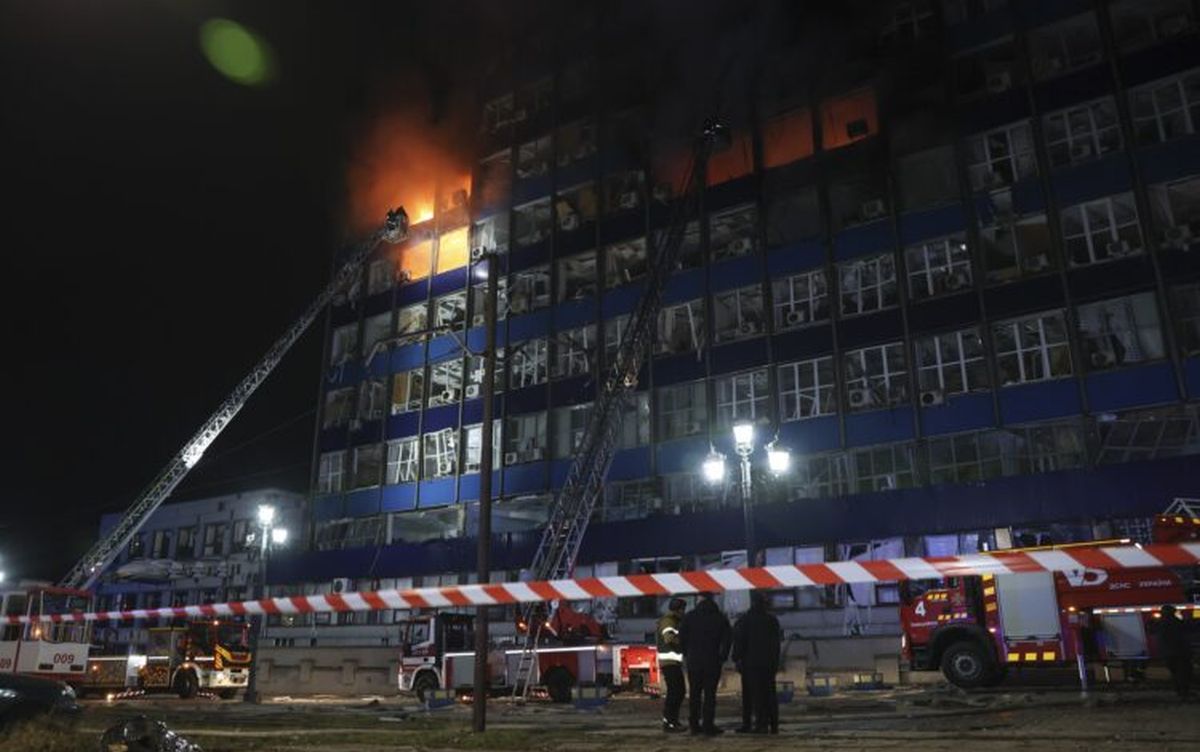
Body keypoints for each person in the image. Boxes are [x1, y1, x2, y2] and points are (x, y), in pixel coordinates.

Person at [679, 591, 732, 736]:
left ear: (699, 600)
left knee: (694, 694)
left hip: (694, 661)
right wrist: (722, 657)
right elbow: (727, 639)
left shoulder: (690, 617)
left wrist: (686, 653)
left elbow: (681, 638)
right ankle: (708, 725)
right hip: (712, 661)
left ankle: (694, 724)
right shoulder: (719, 617)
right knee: (710, 695)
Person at [732, 591, 783, 733]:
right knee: (770, 694)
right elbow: (776, 644)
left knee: (752, 695)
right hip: (769, 664)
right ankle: (773, 725)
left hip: (750, 664)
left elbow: (739, 642)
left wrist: (736, 657)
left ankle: (755, 724)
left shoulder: (744, 620)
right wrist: (776, 662)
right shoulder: (772, 620)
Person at [656, 598, 687, 732]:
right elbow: (668, 637)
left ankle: (672, 721)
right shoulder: (669, 621)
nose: (684, 612)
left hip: (672, 662)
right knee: (676, 692)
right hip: (669, 662)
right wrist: (683, 644)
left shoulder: (672, 620)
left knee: (677, 691)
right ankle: (670, 722)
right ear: (679, 609)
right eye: (683, 609)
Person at [1155, 605, 1193, 700]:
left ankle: (1179, 691)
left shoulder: (1160, 623)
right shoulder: (1176, 622)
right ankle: (1184, 692)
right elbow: (1184, 634)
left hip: (1167, 653)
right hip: (1180, 652)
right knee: (1183, 672)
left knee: (1175, 672)